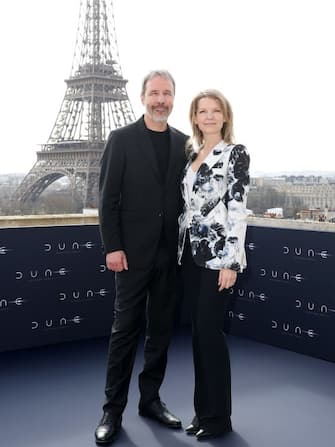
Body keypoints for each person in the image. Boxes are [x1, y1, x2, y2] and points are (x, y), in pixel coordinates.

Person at [95, 70, 188, 445]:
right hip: (130, 256)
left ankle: (150, 400)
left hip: (170, 257)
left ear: (173, 98)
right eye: (154, 93)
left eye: (166, 94)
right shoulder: (121, 139)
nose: (160, 100)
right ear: (142, 96)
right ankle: (111, 410)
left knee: (161, 333)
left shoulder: (184, 143)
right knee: (124, 334)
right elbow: (107, 200)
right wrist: (112, 246)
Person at [178, 89, 250, 440]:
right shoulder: (192, 154)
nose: (208, 116)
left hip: (219, 258)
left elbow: (237, 209)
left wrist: (231, 262)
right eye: (202, 111)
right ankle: (202, 412)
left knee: (210, 336)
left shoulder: (234, 153)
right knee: (198, 337)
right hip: (190, 258)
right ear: (194, 117)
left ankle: (220, 418)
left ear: (225, 116)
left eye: (215, 111)